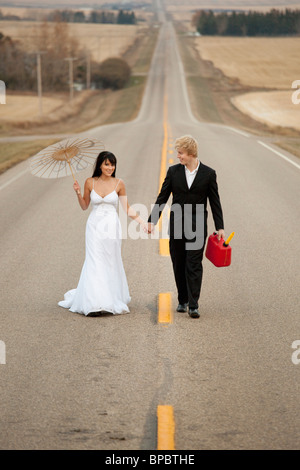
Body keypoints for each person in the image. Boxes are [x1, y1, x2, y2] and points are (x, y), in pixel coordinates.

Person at [58, 151, 146, 316]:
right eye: (106, 164)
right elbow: (85, 206)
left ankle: (109, 299)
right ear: (100, 165)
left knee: (110, 261)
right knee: (94, 261)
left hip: (111, 227)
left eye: (112, 164)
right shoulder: (89, 182)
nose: (110, 167)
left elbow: (127, 208)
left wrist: (142, 223)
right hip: (94, 227)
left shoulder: (119, 183)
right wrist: (78, 192)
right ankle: (94, 303)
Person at [147, 135, 225, 319]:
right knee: (179, 263)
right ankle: (182, 299)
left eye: (180, 153)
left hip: (197, 226)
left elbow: (215, 202)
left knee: (194, 264)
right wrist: (152, 220)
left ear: (190, 154)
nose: (178, 156)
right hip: (177, 225)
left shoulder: (208, 173)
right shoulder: (174, 172)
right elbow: (163, 197)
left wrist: (220, 226)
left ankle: (193, 304)